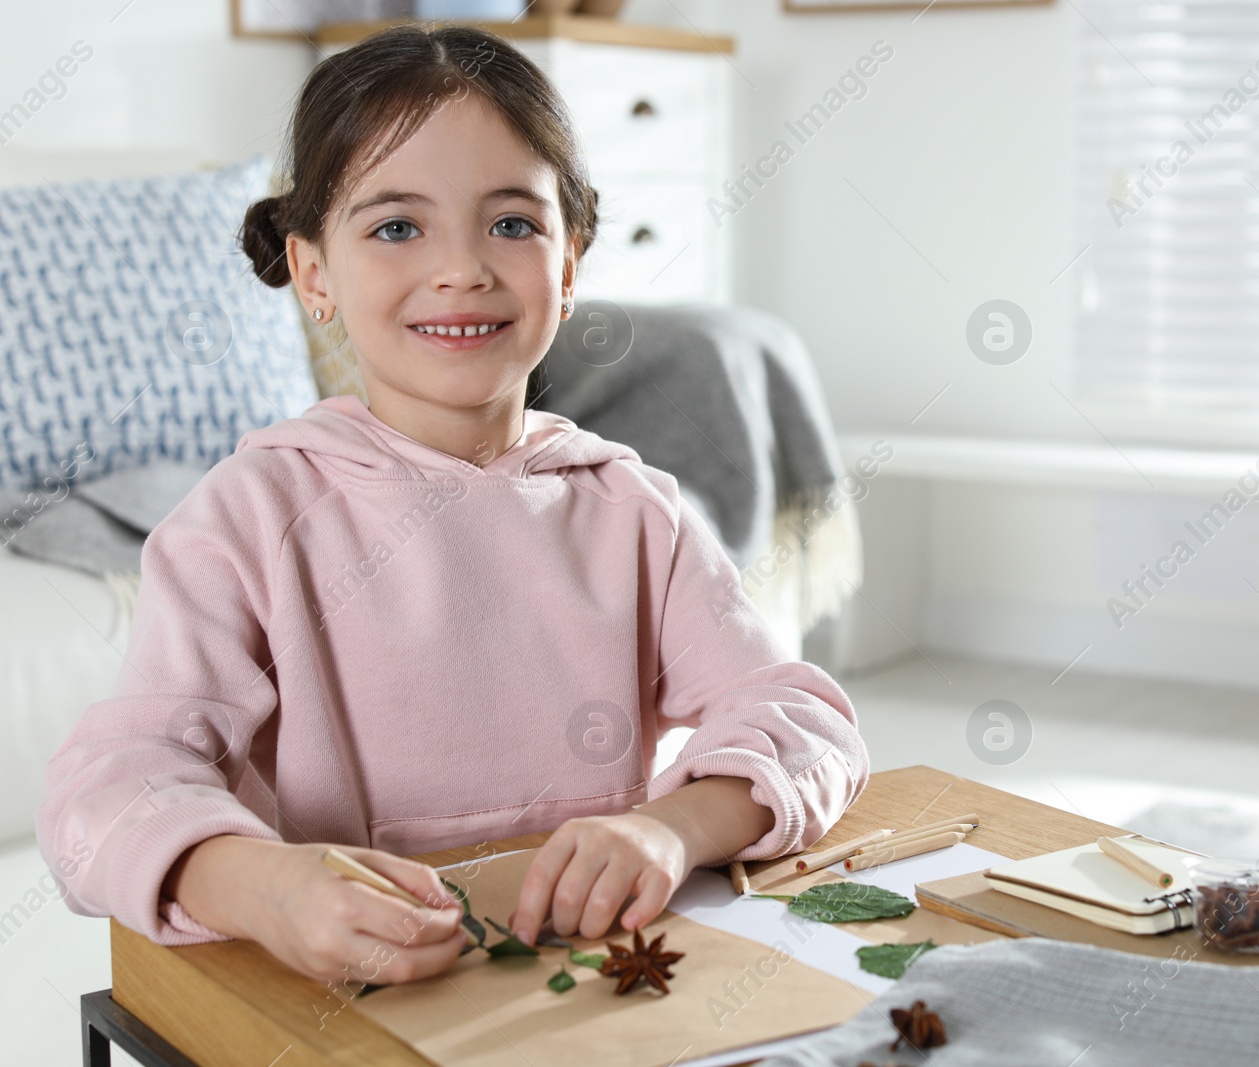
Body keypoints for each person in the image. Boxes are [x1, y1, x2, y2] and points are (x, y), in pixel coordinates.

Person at [34, 23, 868, 991]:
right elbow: (105, 789)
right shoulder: (248, 518)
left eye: (512, 223)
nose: (463, 267)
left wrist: (670, 827)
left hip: (585, 991)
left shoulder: (634, 509)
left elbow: (802, 719)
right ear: (313, 274)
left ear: (569, 261)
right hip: (354, 1004)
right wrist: (262, 886)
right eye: (396, 226)